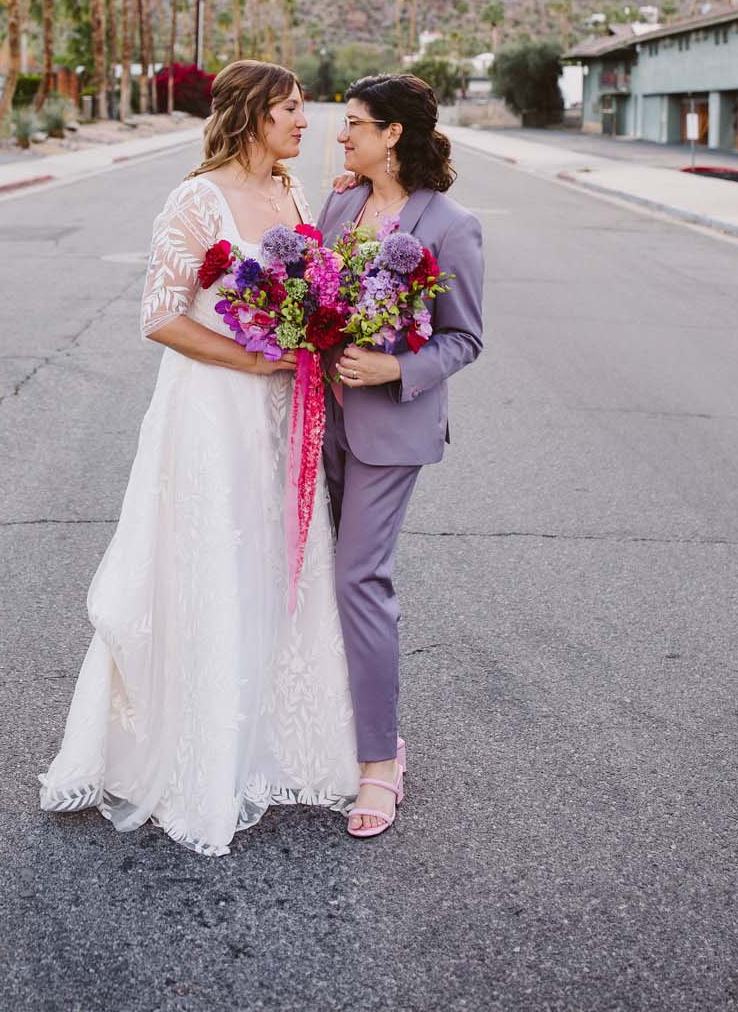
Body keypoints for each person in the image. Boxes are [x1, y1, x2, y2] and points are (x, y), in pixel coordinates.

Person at [39, 60, 358, 856]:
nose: (302, 123)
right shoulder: (196, 198)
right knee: (216, 560)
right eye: (289, 109)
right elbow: (160, 317)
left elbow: (307, 292)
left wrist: (306, 335)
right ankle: (198, 751)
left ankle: (276, 740)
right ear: (252, 114)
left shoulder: (292, 193)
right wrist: (254, 361)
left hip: (283, 409)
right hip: (213, 409)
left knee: (279, 558)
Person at [318, 74, 484, 838]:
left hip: (392, 430)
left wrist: (396, 369)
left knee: (361, 577)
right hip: (323, 419)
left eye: (354, 124)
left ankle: (381, 763)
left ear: (393, 134)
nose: (341, 134)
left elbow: (464, 338)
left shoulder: (451, 226)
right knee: (324, 572)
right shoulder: (341, 203)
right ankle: (328, 726)